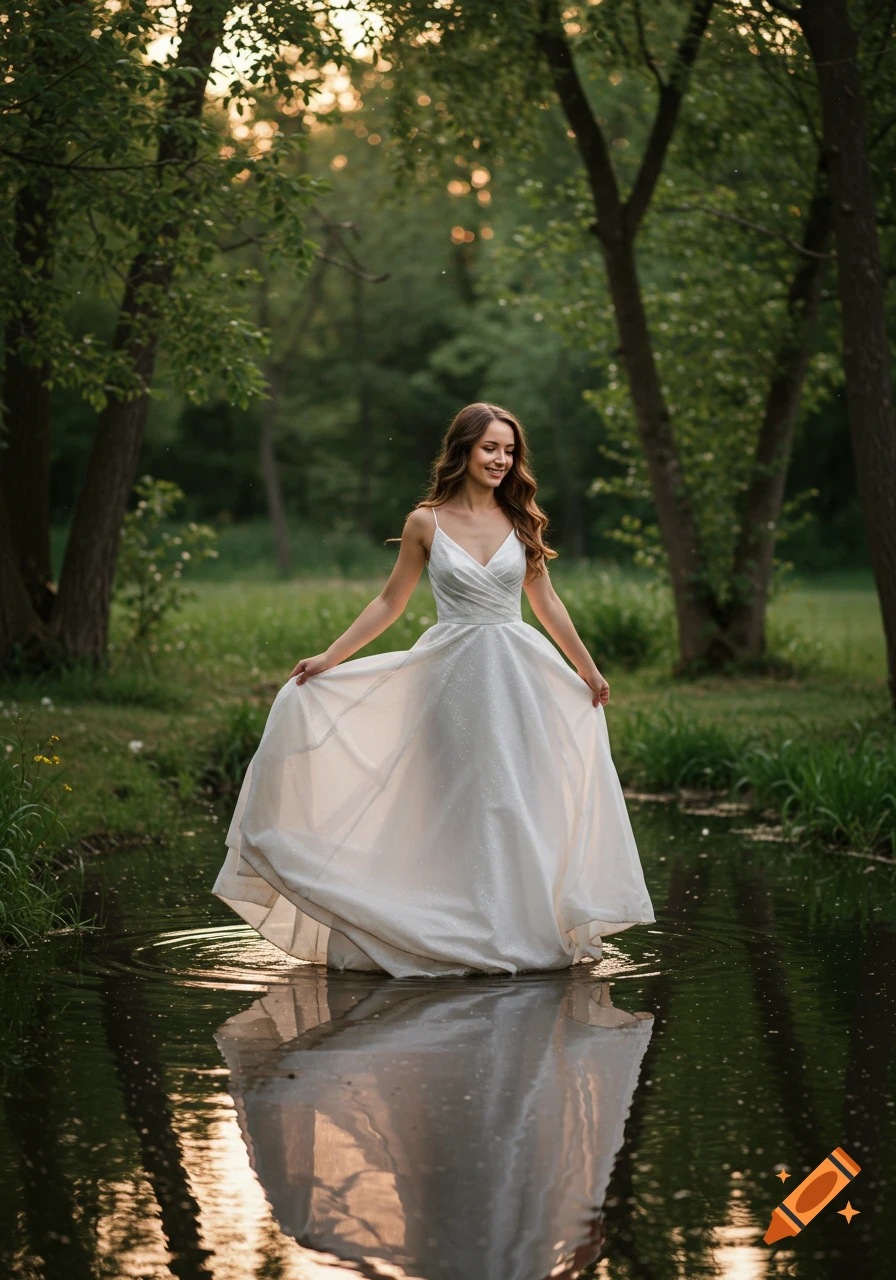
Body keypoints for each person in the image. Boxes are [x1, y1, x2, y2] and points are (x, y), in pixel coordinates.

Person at [213, 402, 655, 976]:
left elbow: (545, 602)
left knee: (510, 801)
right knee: (452, 799)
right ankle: (442, 927)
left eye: (509, 450)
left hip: (518, 677)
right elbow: (390, 602)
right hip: (448, 680)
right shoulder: (425, 521)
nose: (501, 459)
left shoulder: (520, 519)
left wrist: (588, 671)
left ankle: (515, 930)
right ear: (464, 450)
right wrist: (329, 657)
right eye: (490, 448)